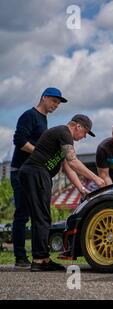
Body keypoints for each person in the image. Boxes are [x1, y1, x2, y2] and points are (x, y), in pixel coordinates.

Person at [19, 114, 105, 272]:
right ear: (77, 126)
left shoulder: (62, 136)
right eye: (85, 132)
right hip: (36, 172)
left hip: (37, 174)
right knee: (41, 217)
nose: (84, 136)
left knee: (43, 217)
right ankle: (39, 260)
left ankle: (43, 258)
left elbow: (67, 166)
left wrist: (81, 188)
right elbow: (73, 161)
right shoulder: (64, 132)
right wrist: (96, 178)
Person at [10, 87, 67, 268]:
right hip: (20, 170)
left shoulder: (44, 120)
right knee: (22, 214)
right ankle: (20, 257)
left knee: (36, 215)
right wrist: (41, 153)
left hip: (34, 172)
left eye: (58, 103)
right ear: (43, 98)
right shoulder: (30, 115)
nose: (56, 105)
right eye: (54, 101)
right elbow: (19, 140)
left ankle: (39, 256)